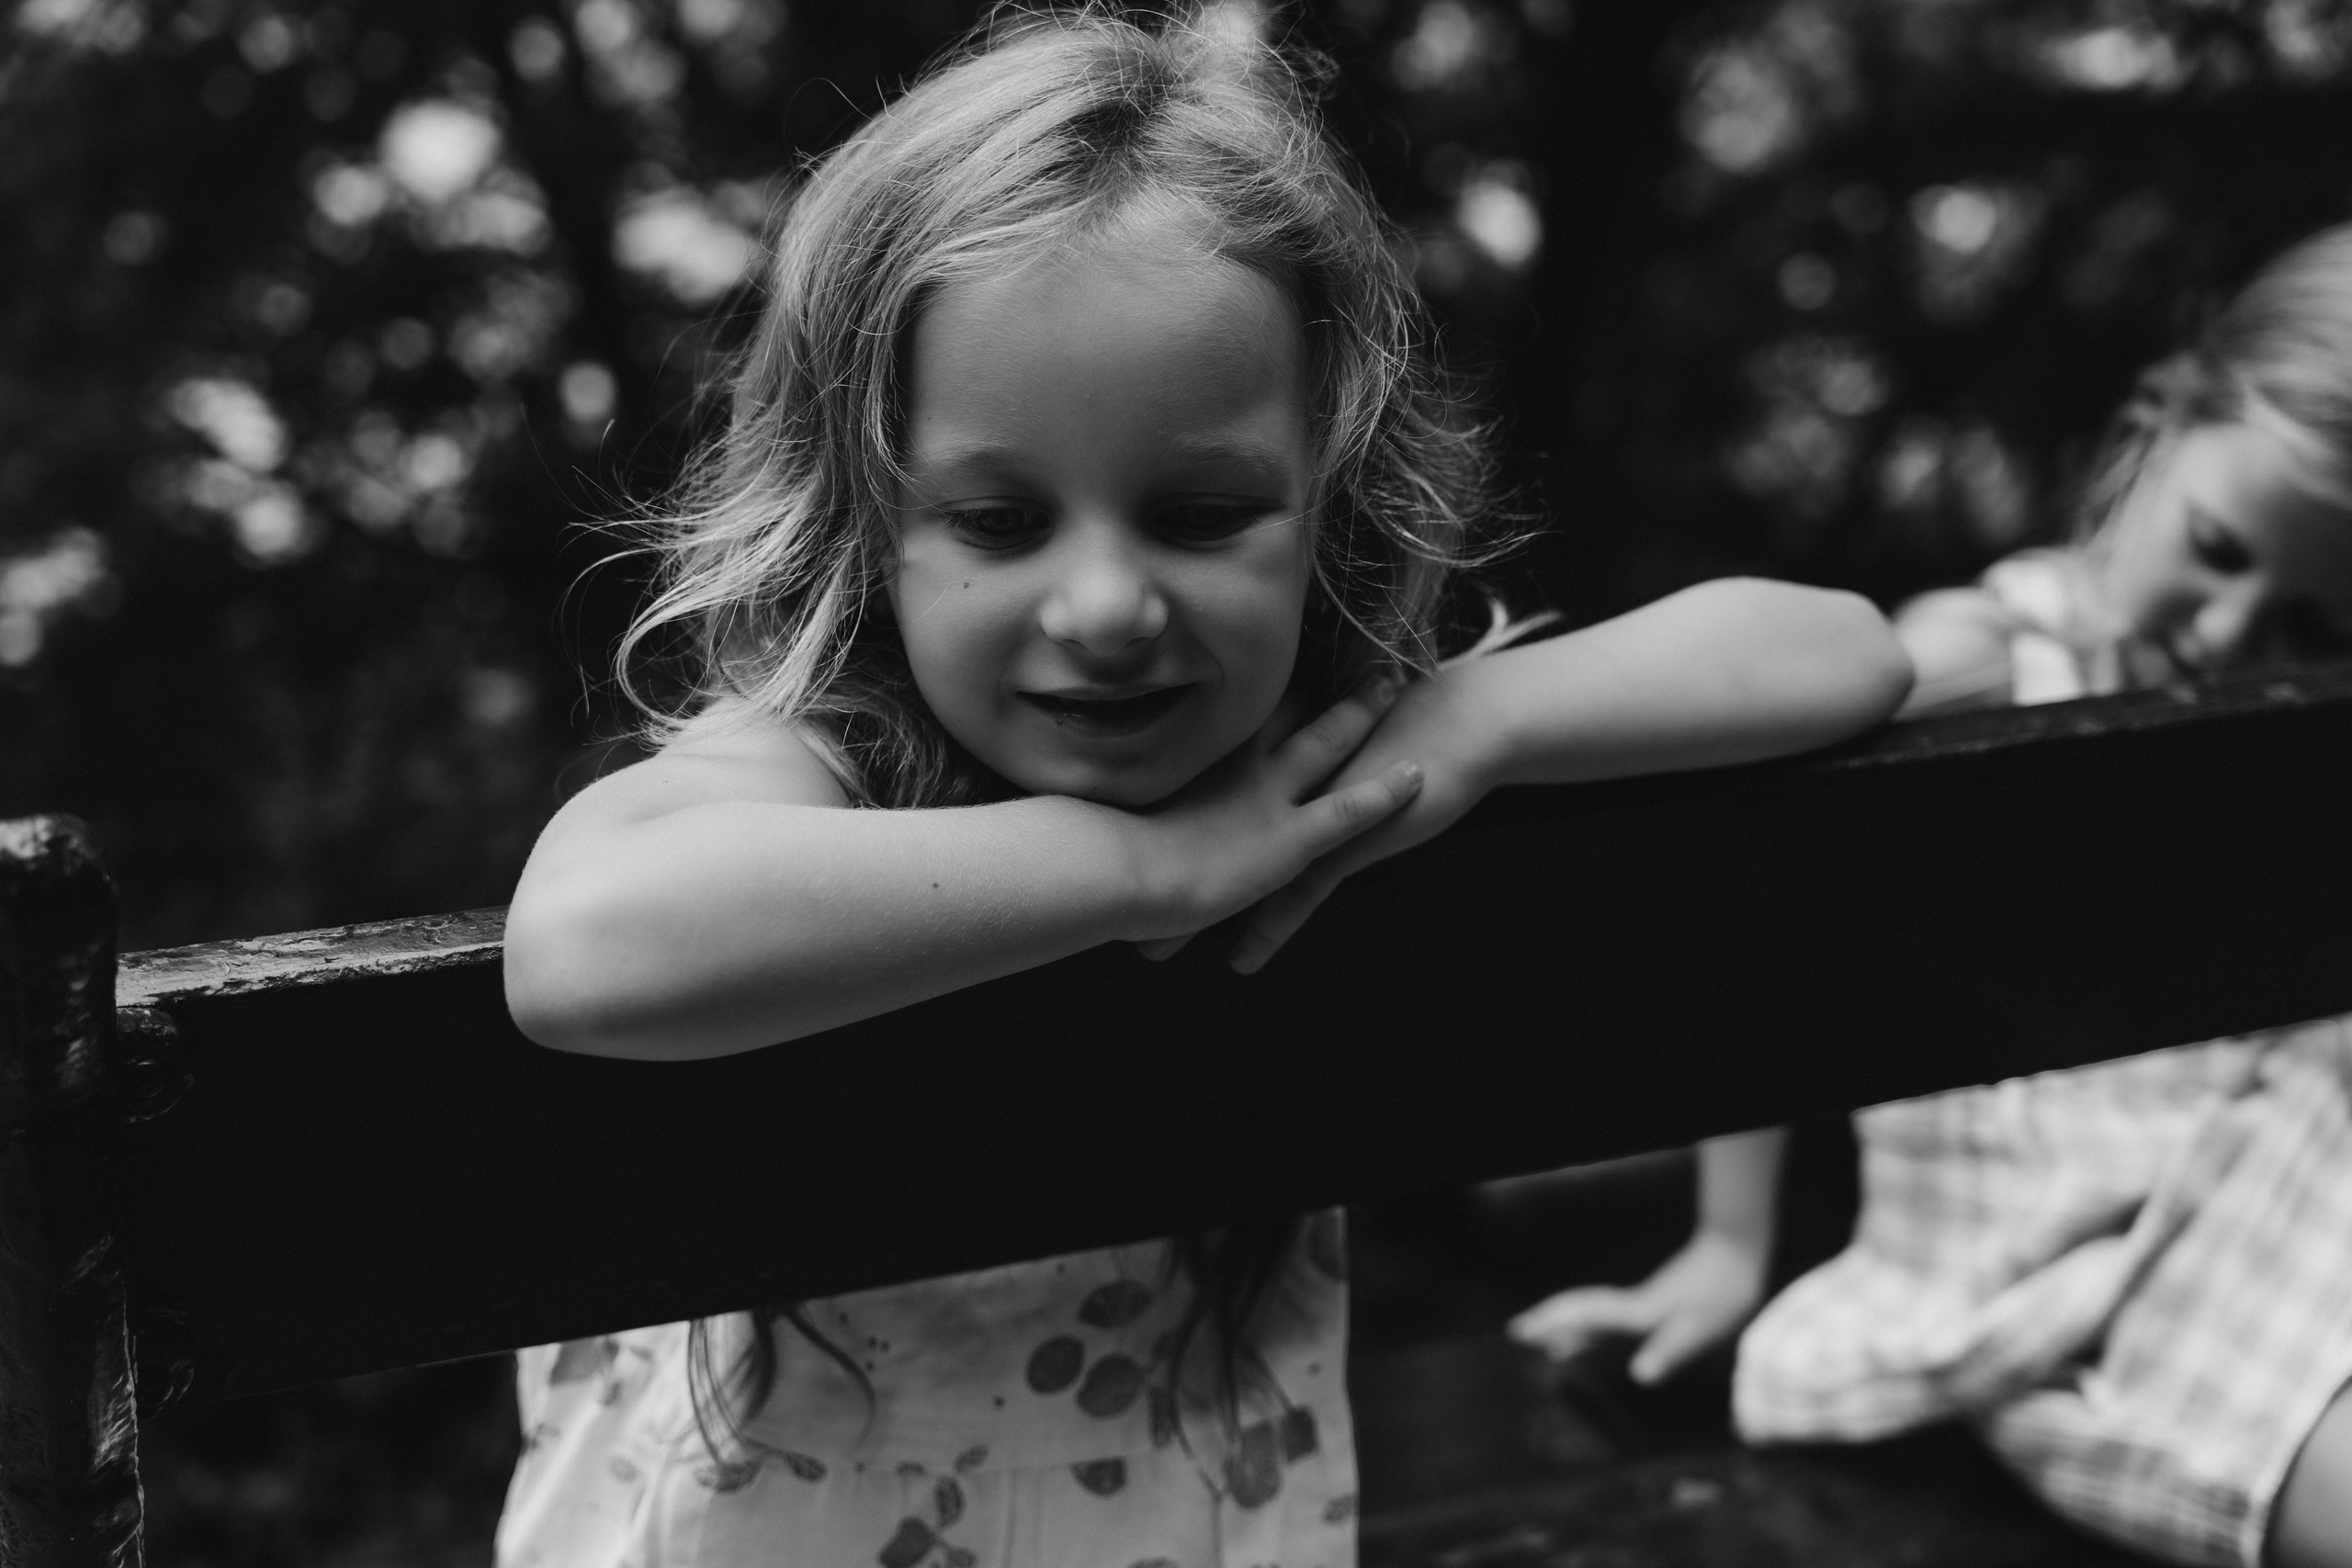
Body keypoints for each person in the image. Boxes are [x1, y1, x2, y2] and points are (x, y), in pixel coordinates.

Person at [491, 9, 1911, 1568]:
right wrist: (1148, 869)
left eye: (1200, 512)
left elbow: (1842, 652)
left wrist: (1483, 715)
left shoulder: (1320, 758)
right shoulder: (826, 755)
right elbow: (583, 942)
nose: (1107, 607)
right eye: (1001, 521)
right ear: (866, 522)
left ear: (1333, 500)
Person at [1511, 221, 2352, 1568]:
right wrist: (1730, 1244)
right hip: (2082, 1266)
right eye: (2218, 546)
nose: (2231, 634)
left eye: (2317, 622)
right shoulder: (1993, 662)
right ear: (2160, 430)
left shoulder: (2308, 731)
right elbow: (1779, 898)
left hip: (2296, 1172)